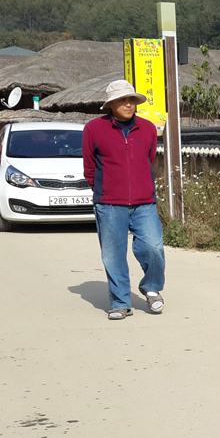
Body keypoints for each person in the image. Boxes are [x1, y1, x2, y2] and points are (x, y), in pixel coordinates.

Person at [82, 80, 166, 320]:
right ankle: (120, 303)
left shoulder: (148, 128)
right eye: (122, 100)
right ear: (111, 105)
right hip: (109, 204)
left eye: (131, 100)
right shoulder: (94, 129)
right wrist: (103, 192)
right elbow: (90, 166)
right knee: (113, 254)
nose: (128, 104)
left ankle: (151, 288)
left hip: (144, 202)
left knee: (153, 247)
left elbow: (148, 159)